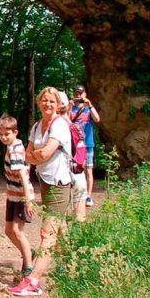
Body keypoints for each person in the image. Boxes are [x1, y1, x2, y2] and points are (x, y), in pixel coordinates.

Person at [9, 86, 73, 297]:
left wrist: (37, 155)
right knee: (60, 228)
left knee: (48, 232)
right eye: (44, 100)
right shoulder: (37, 126)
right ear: (39, 102)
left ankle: (33, 281)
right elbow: (28, 156)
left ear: (59, 104)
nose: (48, 104)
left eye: (52, 101)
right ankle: (74, 268)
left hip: (59, 183)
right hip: (45, 181)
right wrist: (38, 155)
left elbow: (44, 153)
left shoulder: (60, 125)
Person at [0, 114, 36, 279]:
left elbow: (23, 176)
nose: (4, 137)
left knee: (16, 231)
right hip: (12, 196)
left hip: (21, 197)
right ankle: (28, 251)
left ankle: (28, 267)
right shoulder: (14, 146)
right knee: (8, 230)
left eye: (7, 134)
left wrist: (28, 200)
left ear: (15, 132)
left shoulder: (15, 151)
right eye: (1, 134)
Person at [69, 85, 101, 207]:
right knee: (72, 169)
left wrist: (90, 105)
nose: (78, 95)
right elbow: (66, 120)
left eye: (80, 93)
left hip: (87, 143)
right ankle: (73, 195)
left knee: (88, 169)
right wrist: (69, 106)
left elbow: (97, 119)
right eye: (76, 93)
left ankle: (88, 196)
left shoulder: (88, 109)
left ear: (85, 94)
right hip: (74, 145)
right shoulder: (71, 109)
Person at [58, 91, 88, 222]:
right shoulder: (74, 126)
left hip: (61, 172)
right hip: (78, 170)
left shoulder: (55, 126)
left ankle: (62, 241)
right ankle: (81, 238)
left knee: (59, 215)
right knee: (80, 210)